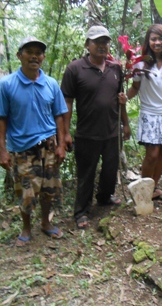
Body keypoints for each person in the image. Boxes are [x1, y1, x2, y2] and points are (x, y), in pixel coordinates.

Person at [0, 36, 67, 247]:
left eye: (39, 53)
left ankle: (45, 223)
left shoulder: (51, 84)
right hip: (22, 148)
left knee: (49, 188)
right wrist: (2, 151)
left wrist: (61, 145)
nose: (34, 56)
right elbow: (1, 118)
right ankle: (26, 228)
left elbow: (59, 115)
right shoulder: (7, 85)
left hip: (49, 146)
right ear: (20, 55)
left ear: (43, 57)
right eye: (29, 52)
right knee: (26, 191)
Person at [61, 25, 131, 229]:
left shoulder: (115, 68)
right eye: (97, 42)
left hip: (111, 132)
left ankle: (104, 197)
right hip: (87, 133)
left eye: (105, 42)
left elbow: (121, 100)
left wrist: (125, 124)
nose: (102, 46)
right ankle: (81, 211)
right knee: (86, 174)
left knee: (110, 169)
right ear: (87, 44)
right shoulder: (75, 69)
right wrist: (65, 133)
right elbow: (67, 103)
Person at [125, 24, 162, 198]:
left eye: (161, 39)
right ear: (148, 41)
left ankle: (153, 187)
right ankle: (143, 190)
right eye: (153, 39)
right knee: (152, 154)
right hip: (150, 114)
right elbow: (135, 88)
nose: (157, 42)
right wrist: (124, 97)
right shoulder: (140, 63)